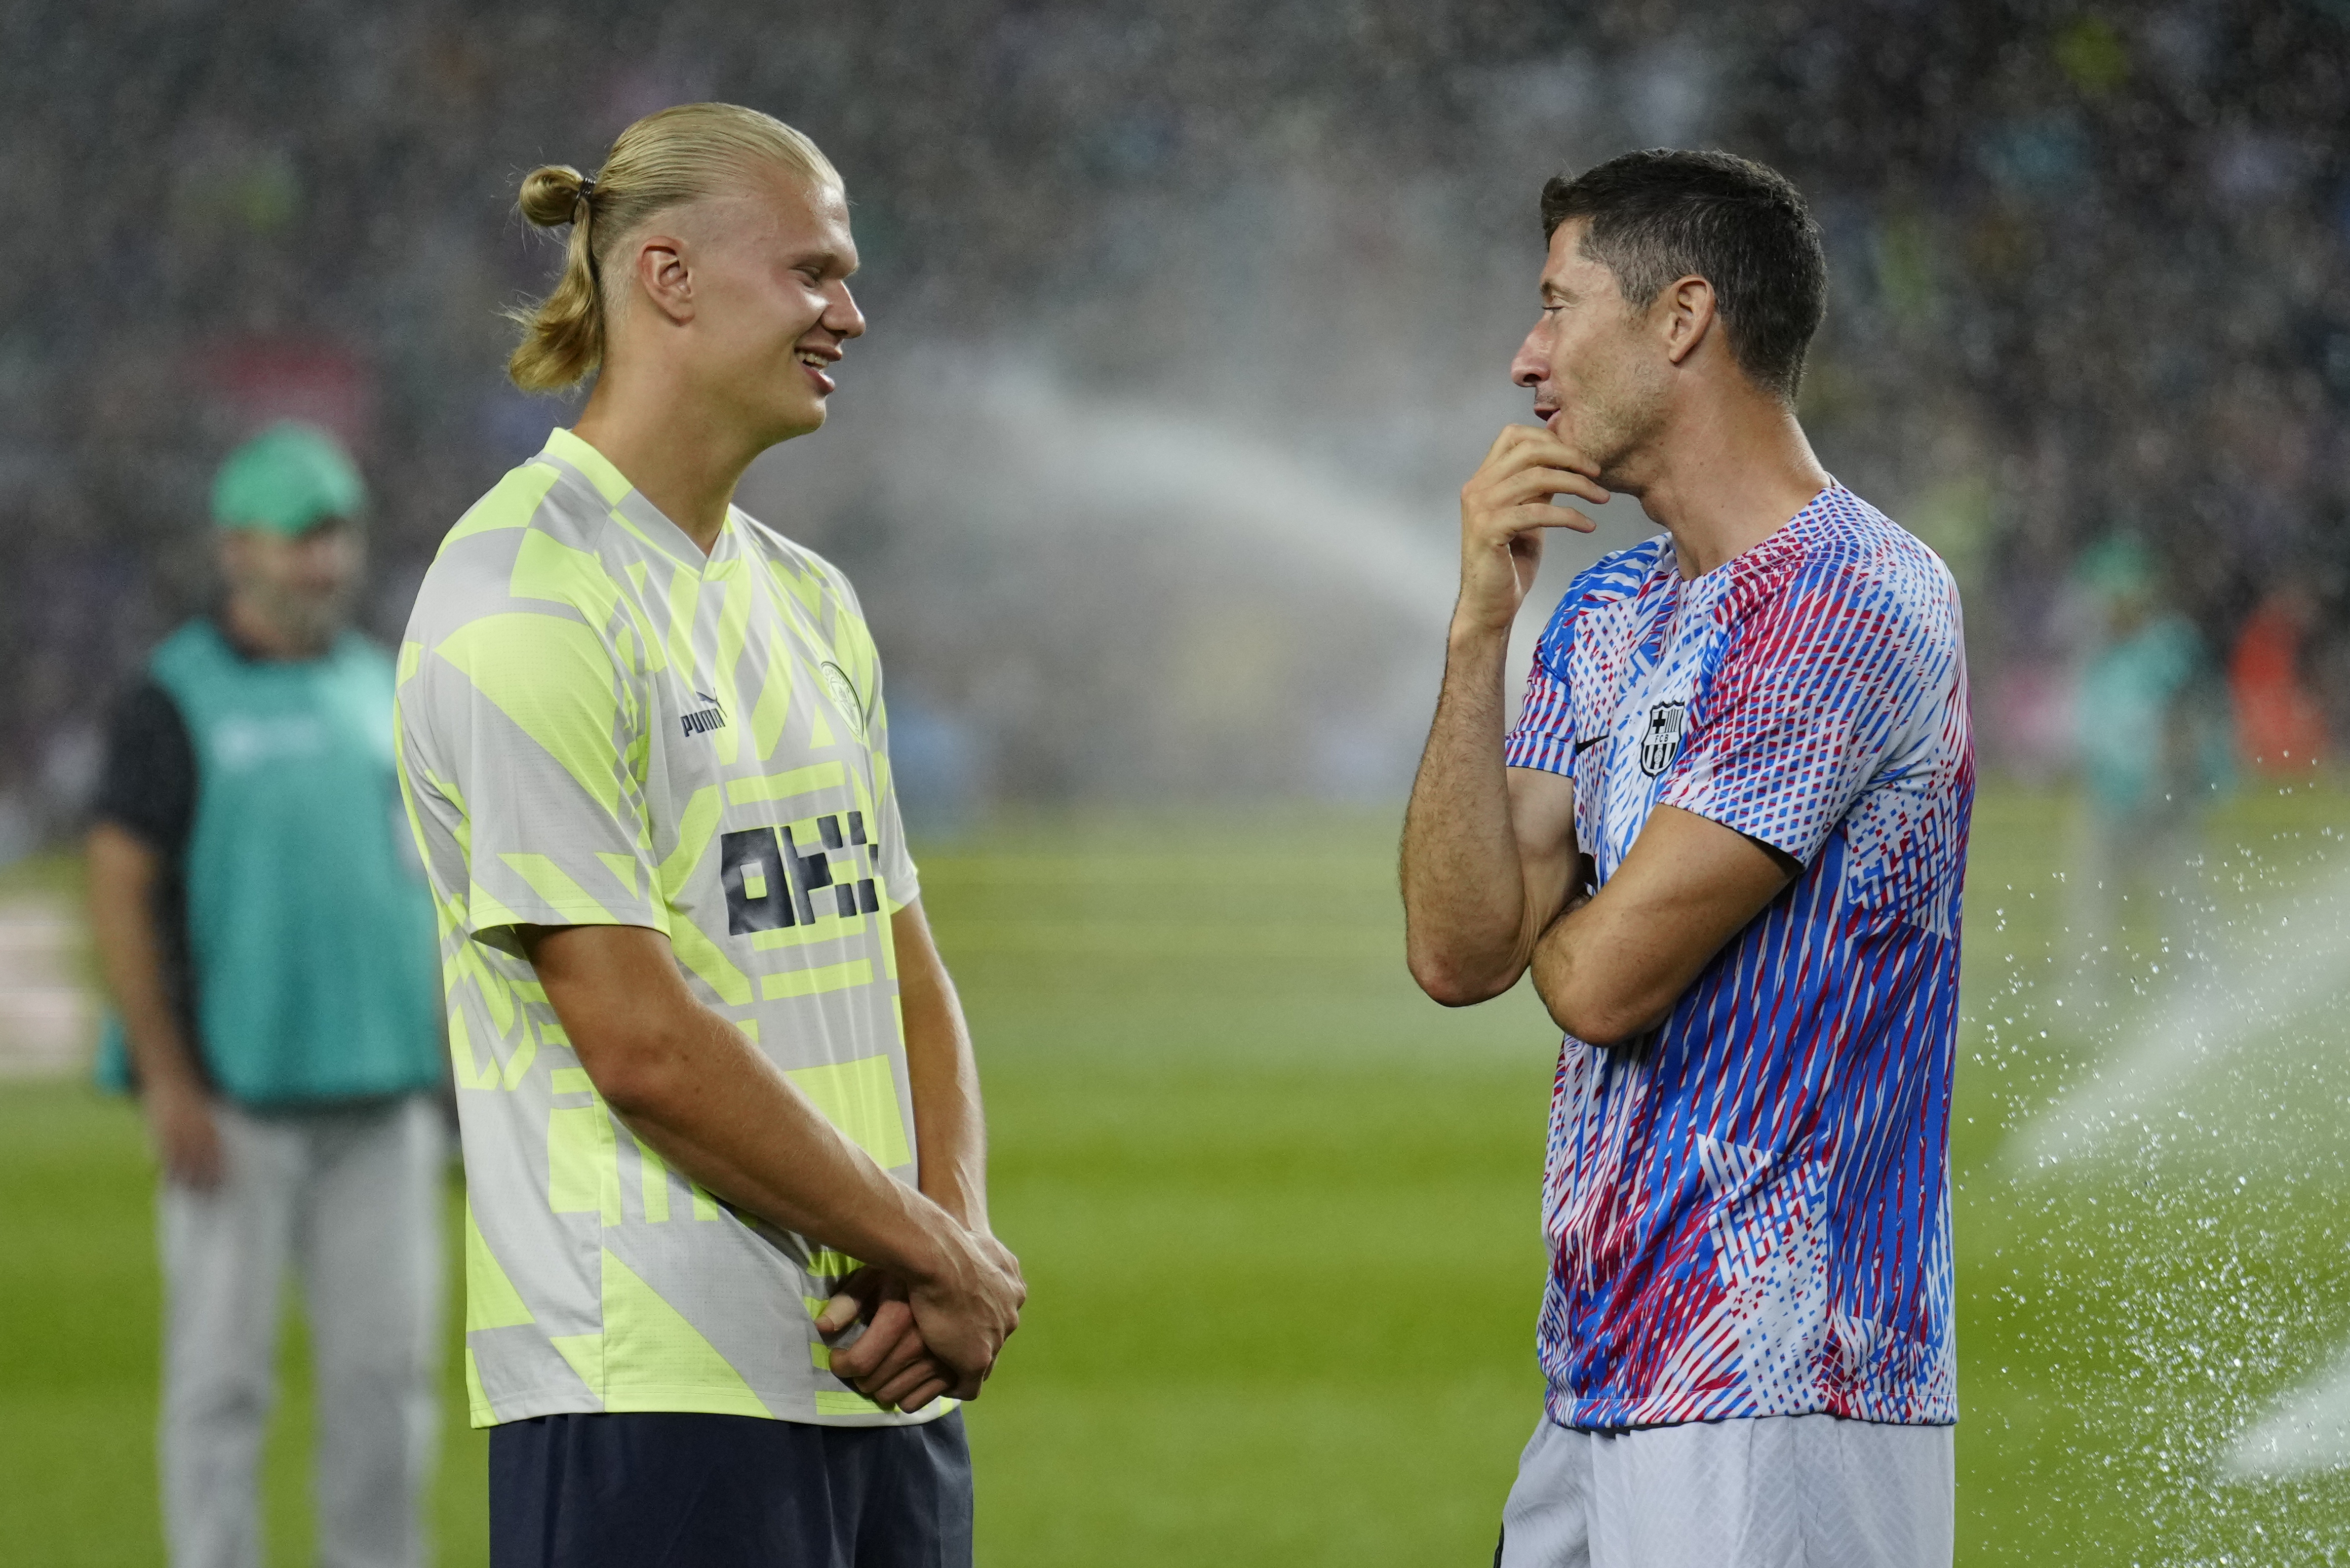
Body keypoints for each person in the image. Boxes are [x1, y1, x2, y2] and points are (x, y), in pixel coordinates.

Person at [394, 103, 1023, 1567]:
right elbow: (640, 1043)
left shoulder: (807, 598)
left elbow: (903, 965)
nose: (850, 314)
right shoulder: (521, 600)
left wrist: (951, 1241)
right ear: (667, 277)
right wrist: (937, 1258)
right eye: (813, 273)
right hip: (650, 1392)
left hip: (877, 1377)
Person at [1399, 150, 1972, 1566]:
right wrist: (1480, 630)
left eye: (1557, 304)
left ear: (1683, 317)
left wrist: (1570, 902)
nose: (1525, 356)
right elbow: (1460, 949)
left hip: (1788, 1377)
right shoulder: (1600, 616)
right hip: (1603, 1370)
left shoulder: (1854, 600)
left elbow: (1603, 984)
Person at [86, 421, 447, 1568]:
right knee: (221, 1383)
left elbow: (428, 894)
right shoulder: (172, 701)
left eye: (338, 536)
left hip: (385, 1102)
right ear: (237, 545)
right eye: (302, 538)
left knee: (387, 1387)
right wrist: (168, 1080)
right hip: (235, 1102)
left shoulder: (381, 685)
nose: (326, 563)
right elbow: (119, 888)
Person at [2066, 536, 2230, 1008]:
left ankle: (2201, 985)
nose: (2109, 607)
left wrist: (2171, 786)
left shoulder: (2170, 646)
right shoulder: (2101, 652)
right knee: (2093, 898)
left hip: (2162, 797)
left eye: (2117, 596)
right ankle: (2088, 993)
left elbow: (2187, 717)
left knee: (2182, 896)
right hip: (2111, 795)